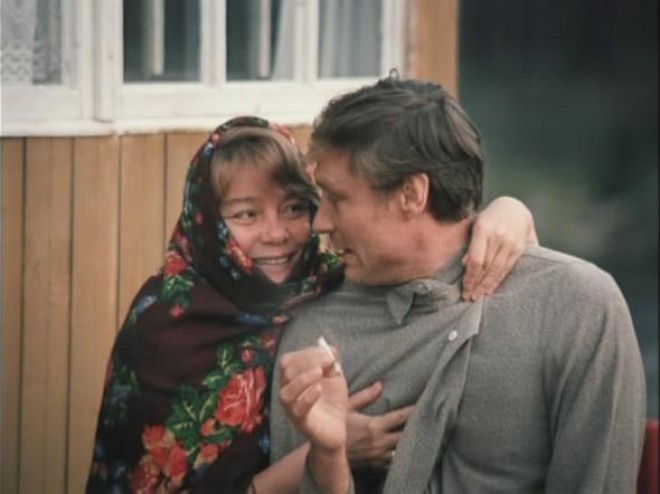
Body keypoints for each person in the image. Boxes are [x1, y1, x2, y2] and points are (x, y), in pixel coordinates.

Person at [85, 116, 535, 493]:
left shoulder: (329, 277)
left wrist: (511, 211)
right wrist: (329, 450)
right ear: (206, 225)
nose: (277, 233)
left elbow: (431, 250)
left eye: (294, 208)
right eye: (246, 214)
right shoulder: (165, 324)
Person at [275, 76, 647, 494]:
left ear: (411, 194)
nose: (320, 223)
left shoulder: (577, 308)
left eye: (337, 199)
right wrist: (327, 457)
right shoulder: (313, 343)